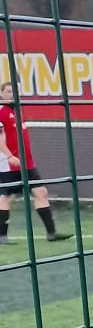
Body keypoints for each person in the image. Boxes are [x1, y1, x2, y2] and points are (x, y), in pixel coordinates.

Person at [0, 78, 68, 247]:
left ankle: (51, 233)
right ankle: (2, 236)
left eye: (15, 91)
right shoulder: (1, 111)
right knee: (5, 197)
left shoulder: (18, 110)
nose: (13, 94)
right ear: (1, 94)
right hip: (9, 163)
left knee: (41, 192)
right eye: (9, 91)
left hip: (26, 162)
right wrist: (9, 156)